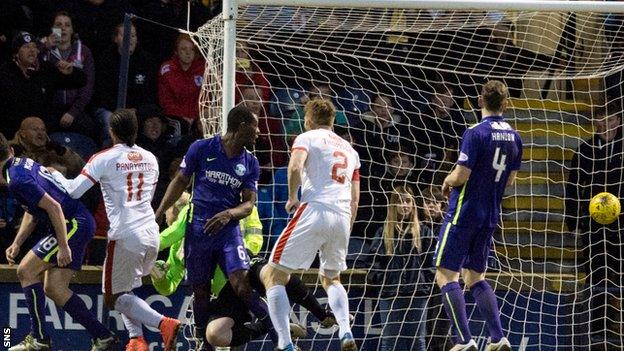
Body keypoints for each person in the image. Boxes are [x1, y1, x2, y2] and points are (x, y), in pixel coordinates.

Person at [49, 109, 181, 351]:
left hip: (125, 234)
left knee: (113, 297)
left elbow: (74, 191)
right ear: (136, 130)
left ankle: (163, 323)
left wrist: (56, 176)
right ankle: (136, 340)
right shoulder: (150, 157)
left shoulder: (104, 158)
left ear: (111, 131)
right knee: (125, 289)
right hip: (150, 231)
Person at [155, 105, 278, 347]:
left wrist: (228, 214)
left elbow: (249, 204)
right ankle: (204, 342)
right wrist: (158, 213)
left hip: (228, 233)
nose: (259, 132)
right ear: (242, 126)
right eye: (255, 126)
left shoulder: (250, 162)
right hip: (198, 231)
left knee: (242, 286)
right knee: (200, 291)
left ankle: (279, 335)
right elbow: (180, 181)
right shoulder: (201, 148)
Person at [150, 195, 331, 350]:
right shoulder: (179, 248)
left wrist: (237, 255)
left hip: (244, 270)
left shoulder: (231, 208)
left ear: (176, 215)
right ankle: (269, 326)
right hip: (224, 296)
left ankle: (316, 317)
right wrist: (157, 276)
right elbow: (169, 286)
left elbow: (254, 237)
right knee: (215, 334)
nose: (166, 221)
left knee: (271, 273)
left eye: (166, 216)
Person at [0, 133, 117, 351]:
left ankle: (39, 339)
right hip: (77, 221)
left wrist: (63, 246)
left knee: (25, 271)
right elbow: (35, 208)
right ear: (11, 151)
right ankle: (103, 336)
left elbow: (54, 207)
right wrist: (17, 242)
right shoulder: (21, 164)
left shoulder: (17, 181)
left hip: (72, 223)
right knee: (55, 288)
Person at [260, 98, 361, 351]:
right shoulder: (350, 149)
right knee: (332, 278)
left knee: (274, 276)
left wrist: (293, 197)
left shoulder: (306, 138)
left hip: (314, 208)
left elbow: (295, 166)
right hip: (342, 215)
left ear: (307, 120)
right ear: (332, 121)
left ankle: (284, 343)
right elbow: (355, 197)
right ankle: (346, 331)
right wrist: (347, 224)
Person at [433, 80, 522, 351]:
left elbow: (461, 176)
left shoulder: (475, 132)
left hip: (465, 211)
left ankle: (464, 341)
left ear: (479, 101)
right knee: (476, 277)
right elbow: (510, 181)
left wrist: (447, 179)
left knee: (446, 275)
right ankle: (498, 338)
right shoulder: (515, 136)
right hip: (491, 213)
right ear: (505, 104)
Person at [565, 102, 623, 341]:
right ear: (595, 122)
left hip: (622, 227)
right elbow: (572, 189)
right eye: (601, 121)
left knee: (620, 274)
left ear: (618, 121)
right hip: (593, 226)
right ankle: (598, 329)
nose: (605, 126)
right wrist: (573, 223)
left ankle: (618, 327)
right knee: (596, 275)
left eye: (610, 121)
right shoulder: (584, 150)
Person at [368, 185, 434, 351]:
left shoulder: (424, 231)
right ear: (393, 205)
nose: (404, 205)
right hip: (390, 294)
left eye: (408, 201)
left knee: (417, 343)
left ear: (413, 204)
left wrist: (424, 283)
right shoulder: (383, 232)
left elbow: (431, 263)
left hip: (417, 294)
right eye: (400, 201)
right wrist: (381, 281)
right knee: (389, 343)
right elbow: (373, 262)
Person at [0, 31, 86, 139]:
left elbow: (81, 81)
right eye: (26, 47)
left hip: (43, 132)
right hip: (13, 134)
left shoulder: (46, 69)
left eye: (34, 47)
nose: (31, 51)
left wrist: (71, 72)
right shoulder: (5, 73)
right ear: (16, 53)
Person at [42, 11, 96, 136]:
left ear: (72, 30)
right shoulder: (44, 50)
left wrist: (73, 112)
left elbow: (88, 85)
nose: (63, 28)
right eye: (58, 25)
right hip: (50, 109)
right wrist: (44, 47)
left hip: (76, 109)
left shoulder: (84, 52)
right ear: (52, 29)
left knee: (89, 127)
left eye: (67, 25)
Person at [158, 33, 205, 127]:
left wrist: (194, 117)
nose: (188, 53)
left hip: (198, 118)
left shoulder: (203, 69)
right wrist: (182, 117)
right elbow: (166, 101)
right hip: (174, 118)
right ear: (176, 51)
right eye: (184, 49)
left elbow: (208, 99)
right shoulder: (167, 70)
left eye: (192, 49)